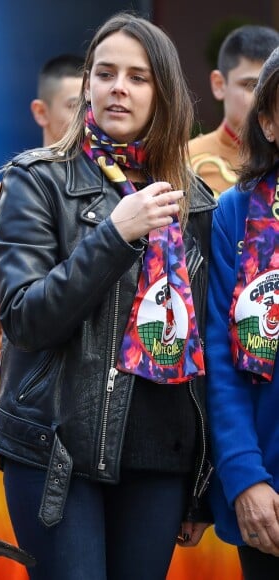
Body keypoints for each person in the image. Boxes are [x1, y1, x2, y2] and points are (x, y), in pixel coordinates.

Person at [0, 12, 216, 580]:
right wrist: (115, 234)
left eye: (138, 77)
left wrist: (202, 478)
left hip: (160, 455)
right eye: (106, 72)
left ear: (162, 92)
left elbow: (209, 345)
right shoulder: (36, 181)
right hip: (58, 450)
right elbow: (25, 319)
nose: (119, 87)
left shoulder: (201, 201)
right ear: (87, 84)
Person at [0, 52, 82, 580]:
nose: (88, 113)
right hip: (28, 402)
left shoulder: (137, 194)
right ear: (41, 110)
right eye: (73, 104)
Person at [206, 46, 279, 580]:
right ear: (269, 124)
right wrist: (243, 475)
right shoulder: (237, 210)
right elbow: (221, 355)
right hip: (269, 491)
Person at [189, 25, 279, 198]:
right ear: (219, 84)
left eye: (271, 91)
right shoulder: (181, 163)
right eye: (250, 86)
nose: (261, 100)